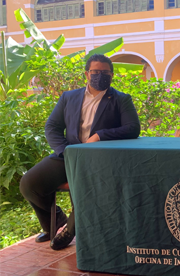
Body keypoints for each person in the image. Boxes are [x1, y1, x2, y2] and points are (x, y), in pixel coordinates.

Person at [19, 54, 141, 250]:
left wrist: (101, 135)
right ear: (86, 74)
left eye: (105, 73)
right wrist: (65, 151)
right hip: (67, 154)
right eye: (95, 72)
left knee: (83, 187)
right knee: (29, 184)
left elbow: (133, 128)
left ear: (112, 75)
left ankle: (70, 230)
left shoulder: (121, 100)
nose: (100, 76)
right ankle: (56, 222)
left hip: (98, 158)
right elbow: (52, 126)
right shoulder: (69, 97)